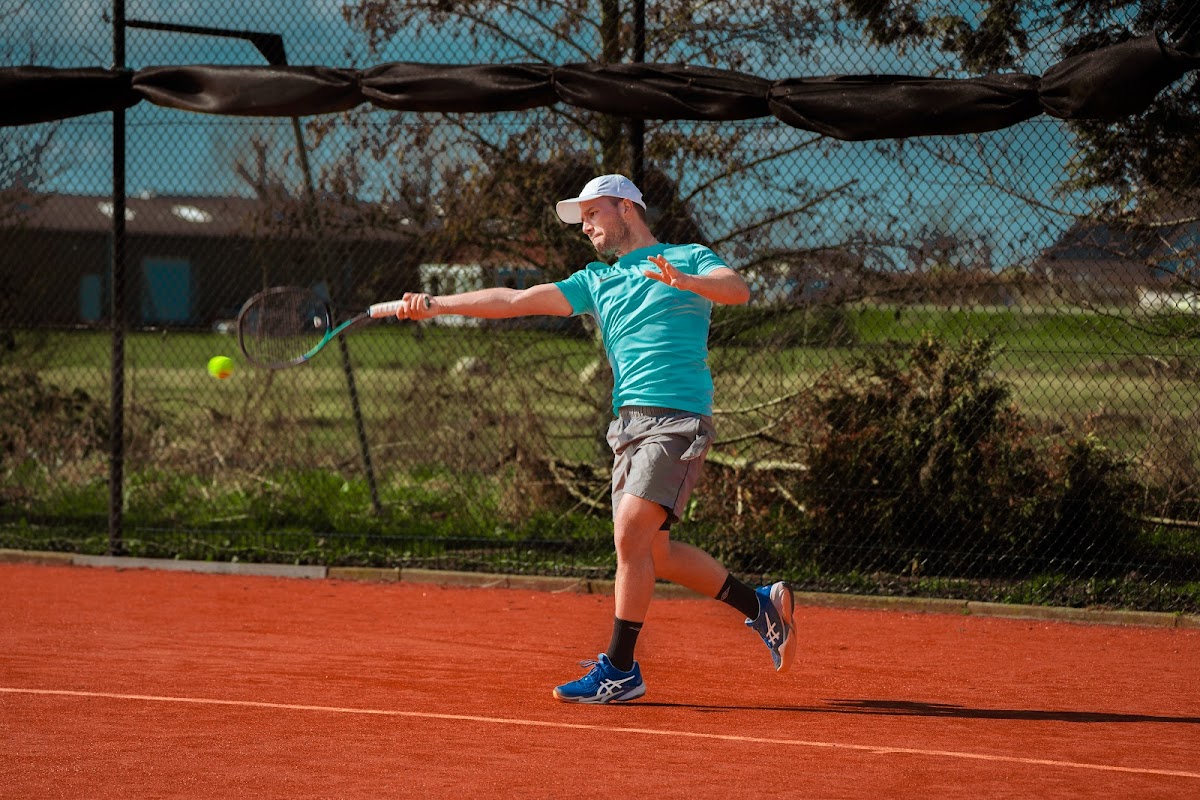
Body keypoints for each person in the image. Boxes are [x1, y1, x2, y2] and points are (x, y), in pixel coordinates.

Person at [389, 174, 795, 703]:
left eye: (593, 214)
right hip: (627, 426)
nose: (585, 227)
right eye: (581, 219)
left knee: (630, 531)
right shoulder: (595, 281)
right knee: (655, 553)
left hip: (678, 418)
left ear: (626, 208)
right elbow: (514, 299)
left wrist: (686, 282)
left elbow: (737, 290)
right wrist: (438, 305)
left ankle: (621, 670)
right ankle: (759, 605)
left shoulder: (687, 256)